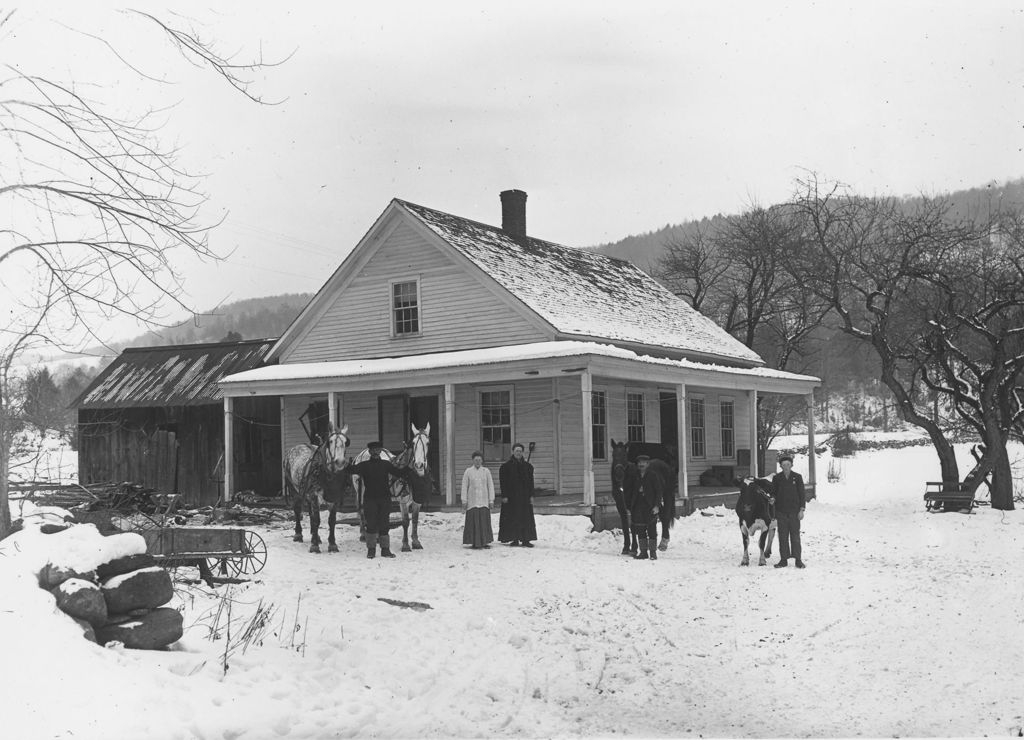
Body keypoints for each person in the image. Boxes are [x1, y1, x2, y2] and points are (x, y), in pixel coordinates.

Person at [349, 441, 413, 559]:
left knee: (384, 524)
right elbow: (351, 470)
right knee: (371, 525)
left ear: (380, 451)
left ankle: (385, 550)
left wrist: (408, 468)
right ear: (369, 452)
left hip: (384, 499)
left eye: (378, 450)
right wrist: (343, 463)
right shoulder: (364, 465)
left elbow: (399, 473)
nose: (376, 452)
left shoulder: (386, 464)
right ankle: (371, 550)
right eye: (373, 450)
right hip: (370, 500)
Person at [498, 442, 537, 547]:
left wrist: (531, 495)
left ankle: (526, 540)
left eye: (520, 451)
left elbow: (531, 483)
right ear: (513, 452)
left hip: (524, 497)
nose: (518, 453)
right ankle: (514, 539)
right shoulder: (505, 467)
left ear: (522, 452)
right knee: (512, 517)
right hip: (512, 498)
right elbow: (503, 483)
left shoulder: (528, 467)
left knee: (526, 518)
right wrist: (504, 496)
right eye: (516, 451)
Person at [771, 454, 806, 568]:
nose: (786, 466)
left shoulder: (797, 477)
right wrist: (772, 499)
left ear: (791, 465)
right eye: (783, 465)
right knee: (783, 536)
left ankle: (798, 560)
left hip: (794, 512)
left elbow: (802, 494)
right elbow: (774, 493)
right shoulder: (777, 478)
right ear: (780, 466)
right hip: (781, 512)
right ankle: (783, 560)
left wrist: (801, 510)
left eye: (788, 464)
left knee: (795, 536)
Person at [630, 454, 662, 561]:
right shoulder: (635, 475)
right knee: (640, 529)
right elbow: (631, 491)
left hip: (650, 506)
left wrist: (657, 505)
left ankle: (653, 552)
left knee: (652, 529)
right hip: (638, 506)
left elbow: (658, 491)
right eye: (639, 462)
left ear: (648, 464)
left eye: (643, 462)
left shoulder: (653, 475)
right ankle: (643, 552)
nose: (641, 464)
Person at [461, 451, 495, 549]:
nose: (477, 462)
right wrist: (464, 500)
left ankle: (485, 541)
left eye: (479, 460)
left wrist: (491, 500)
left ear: (482, 461)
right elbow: (464, 486)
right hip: (472, 501)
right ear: (473, 460)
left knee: (484, 522)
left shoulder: (486, 471)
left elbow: (490, 486)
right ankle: (474, 542)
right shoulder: (468, 471)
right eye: (476, 460)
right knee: (473, 522)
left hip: (484, 500)